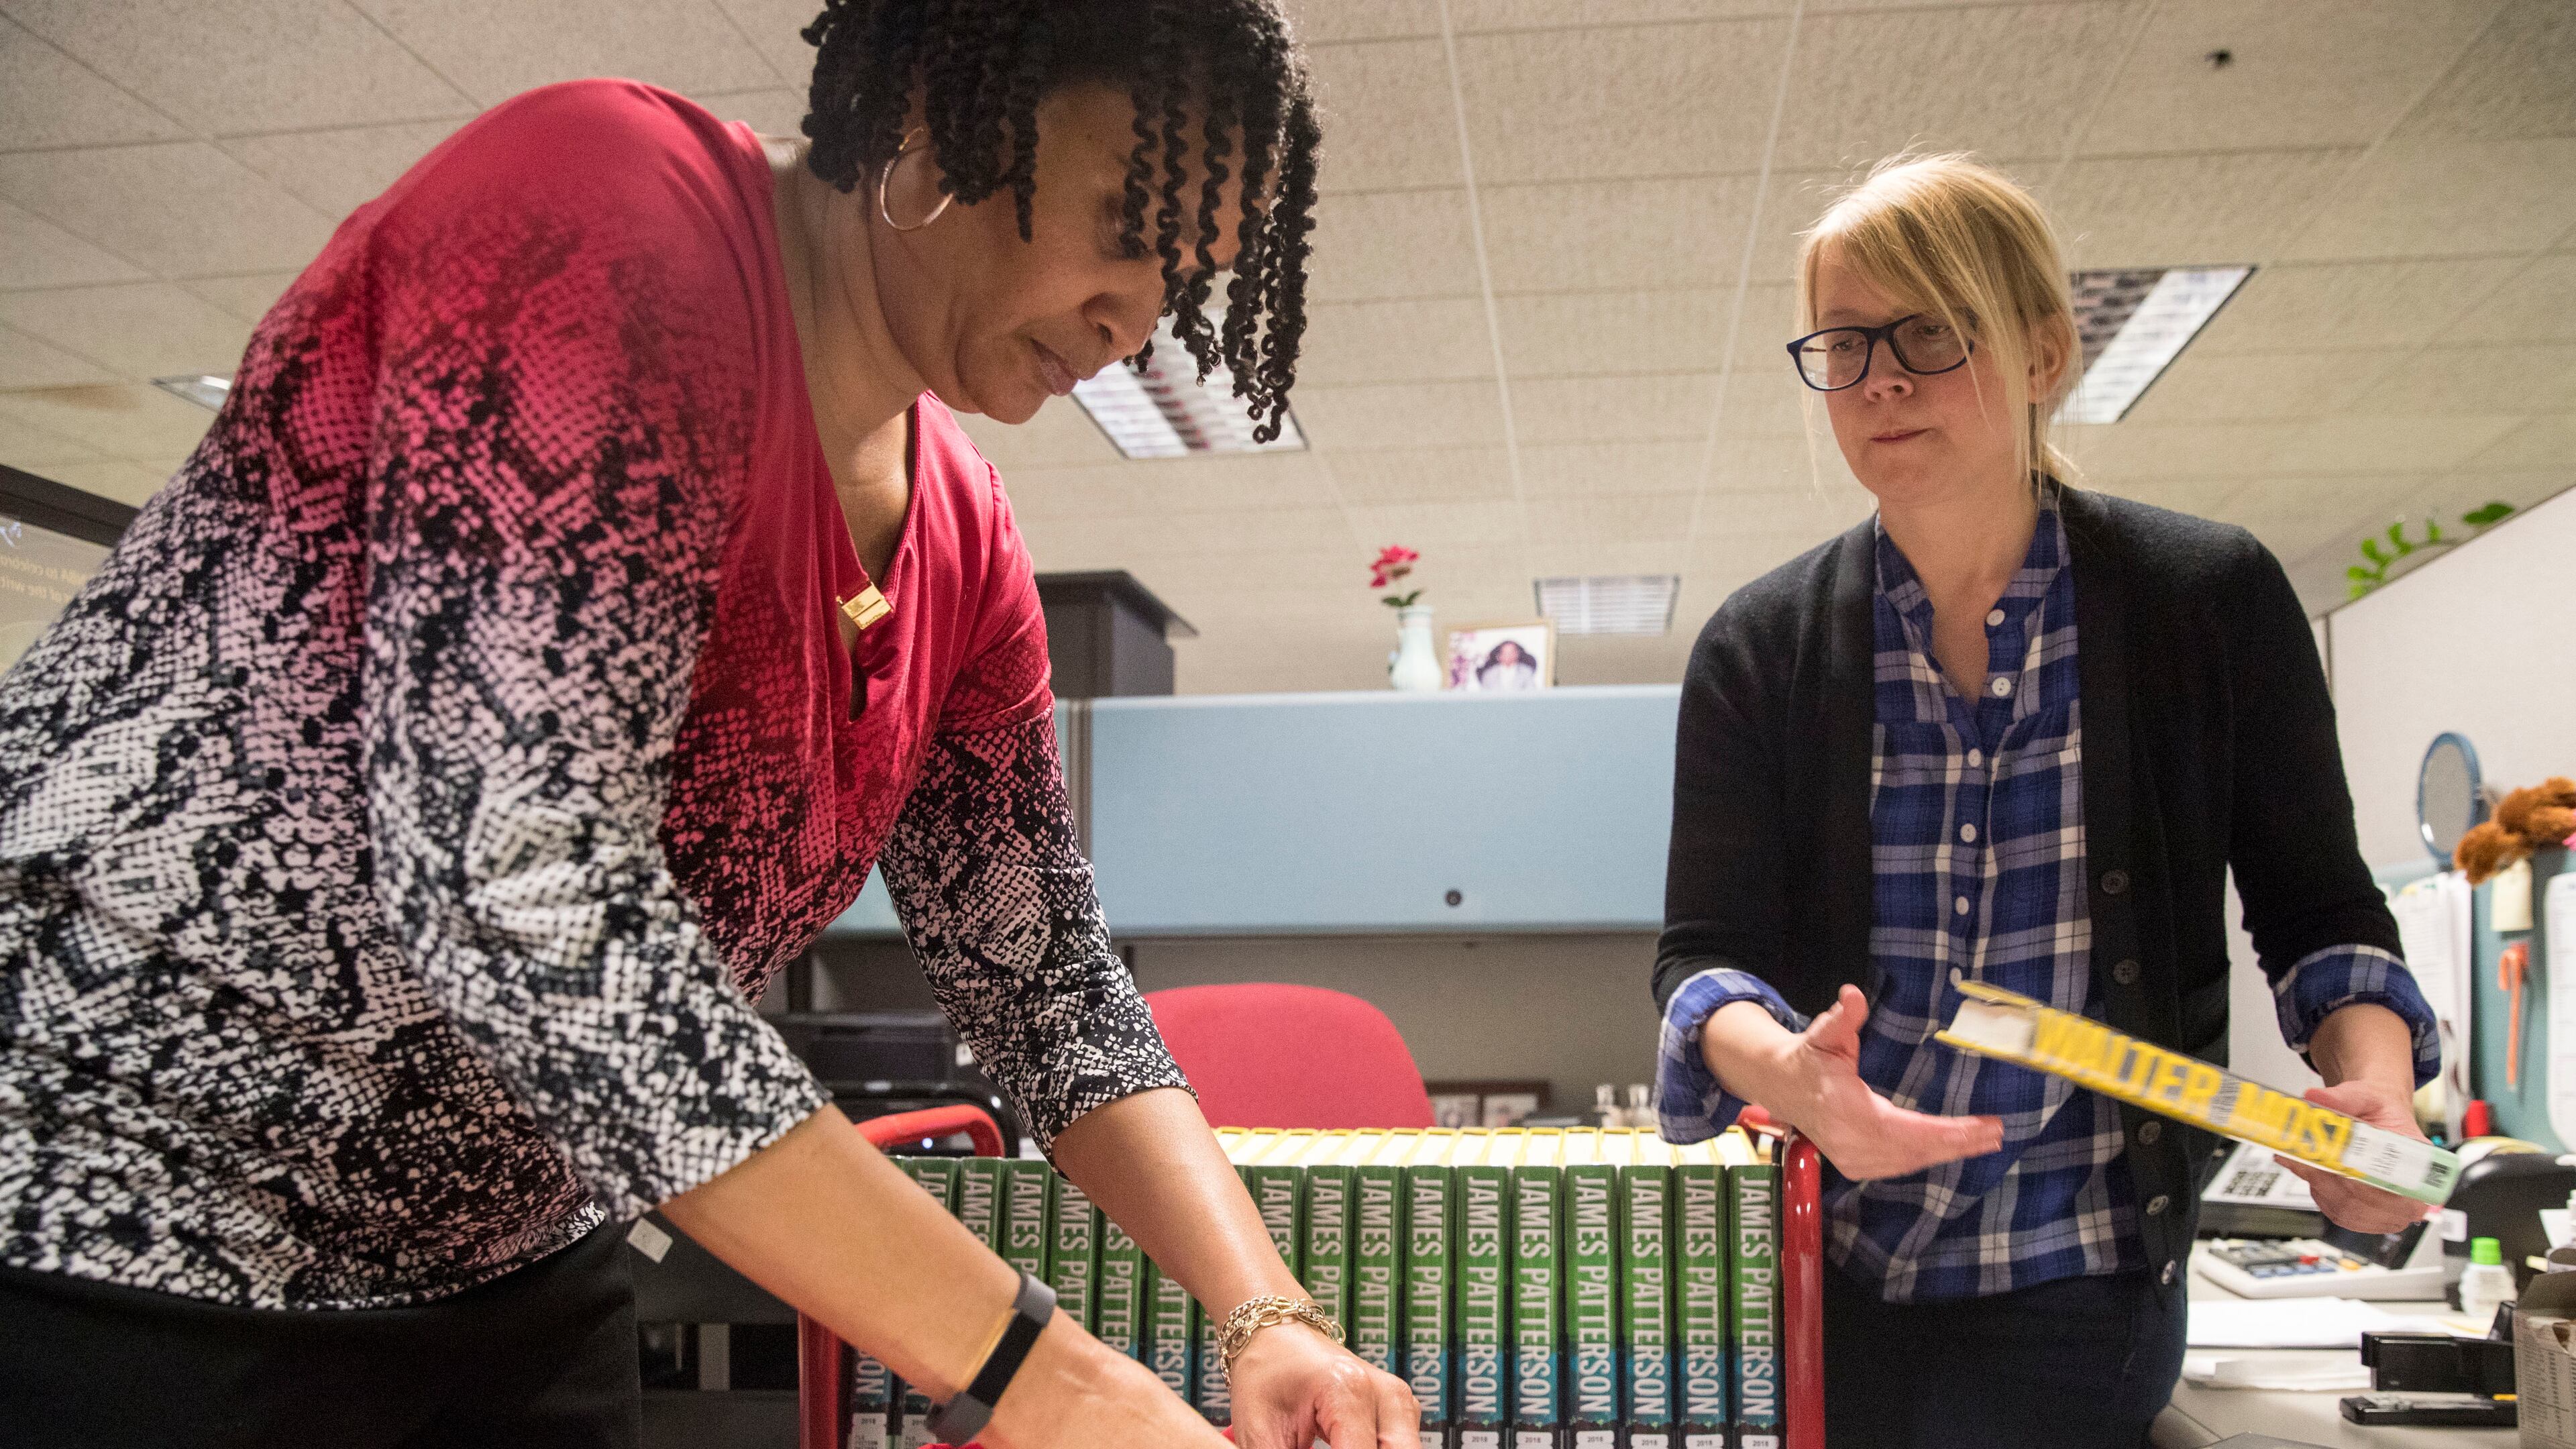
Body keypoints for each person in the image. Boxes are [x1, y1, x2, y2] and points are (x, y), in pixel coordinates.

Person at [0, 5, 1420, 1448]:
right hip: (123, 1216)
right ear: (936, 111)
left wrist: (1270, 1321)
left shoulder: (964, 544)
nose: (1138, 319)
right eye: (1129, 225)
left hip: (509, 1268)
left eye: (1186, 274)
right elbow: (520, 891)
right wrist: (1046, 1387)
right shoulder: (604, 210)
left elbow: (1041, 978)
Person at [1651, 154, 2438, 1448]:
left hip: (2082, 1283)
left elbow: (2321, 913)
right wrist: (1789, 1074)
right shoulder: (1761, 646)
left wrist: (2380, 1089)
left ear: (2041, 354)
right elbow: (1703, 964)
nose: (1883, 379)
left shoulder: (2208, 602)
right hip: (1821, 1274)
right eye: (1845, 344)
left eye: (1929, 333)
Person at [1475, 639, 1541, 691]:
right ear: (1499, 656)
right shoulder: (1489, 674)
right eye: (1506, 653)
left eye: (1511, 652)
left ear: (1517, 654)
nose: (1509, 656)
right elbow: (1484, 695)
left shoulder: (1526, 672)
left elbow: (1531, 692)